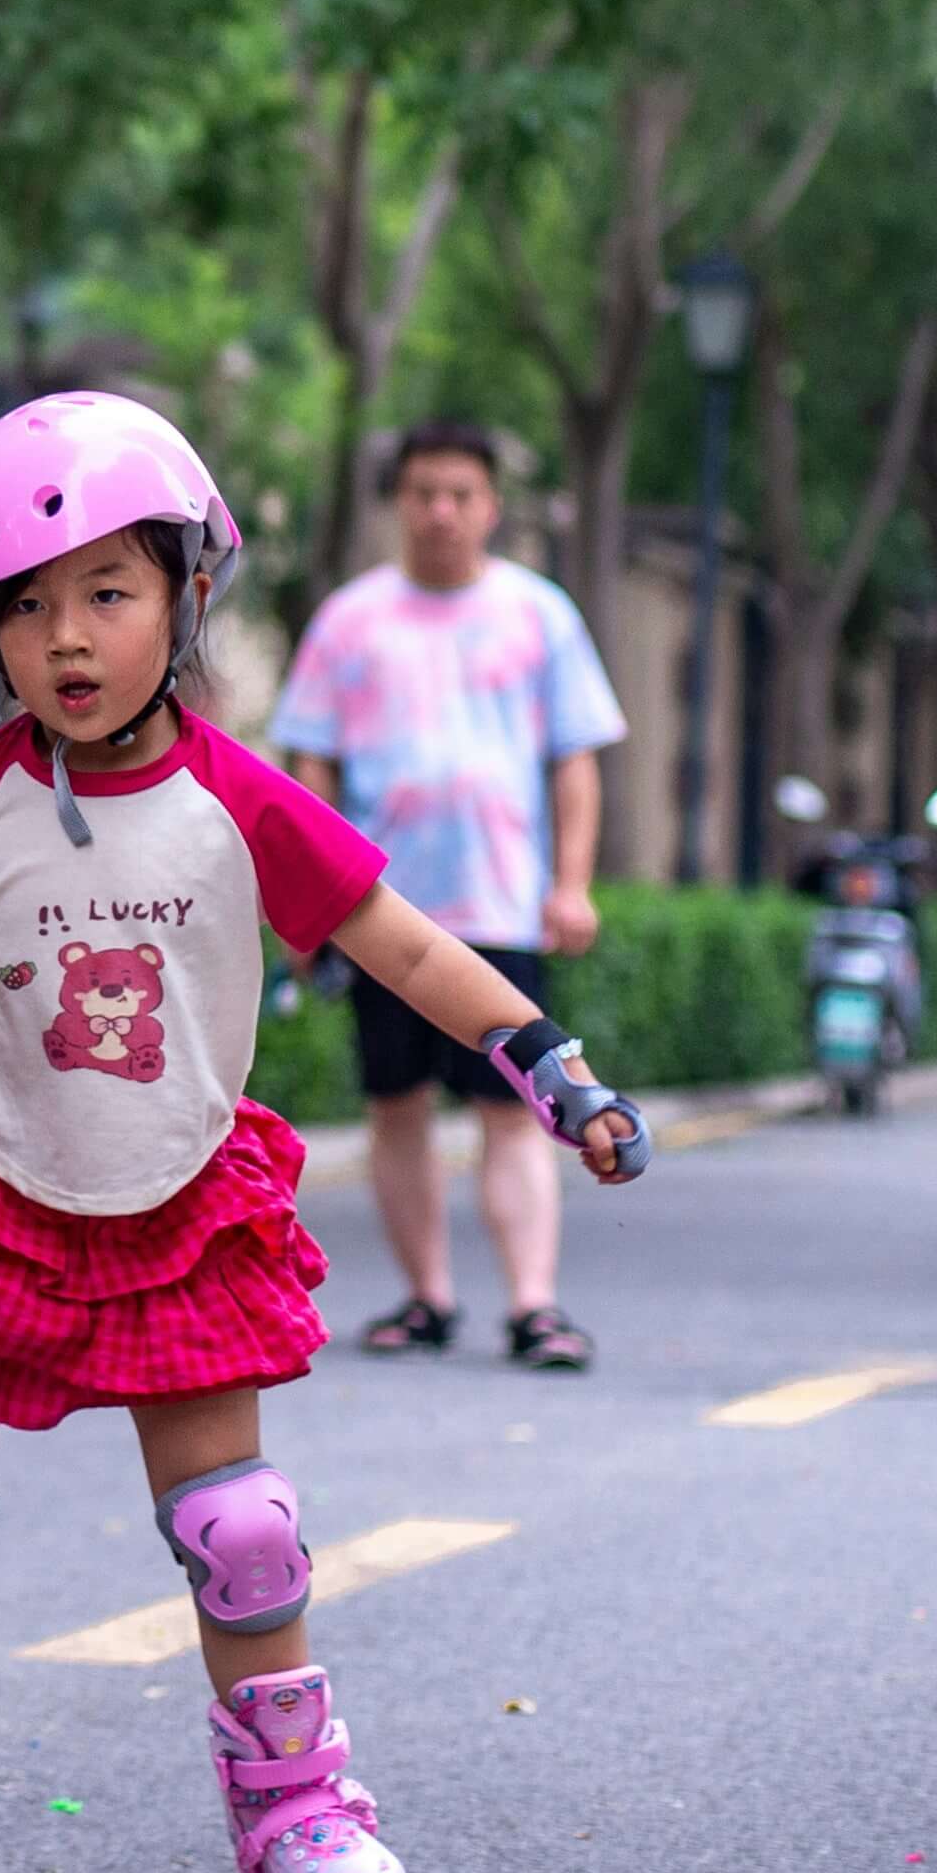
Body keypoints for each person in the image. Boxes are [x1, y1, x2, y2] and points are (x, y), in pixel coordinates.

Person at [0, 393, 649, 1873]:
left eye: (105, 593)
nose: (64, 640)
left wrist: (545, 1063)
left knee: (243, 1530)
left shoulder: (240, 800)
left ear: (186, 595)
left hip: (177, 1204)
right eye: (23, 610)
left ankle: (299, 1819)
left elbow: (408, 943)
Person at [270, 421, 633, 1372]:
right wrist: (305, 903)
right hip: (375, 913)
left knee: (516, 1109)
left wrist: (573, 884)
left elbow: (575, 762)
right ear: (400, 502)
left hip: (501, 908)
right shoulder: (350, 619)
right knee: (397, 1106)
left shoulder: (539, 613)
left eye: (460, 494)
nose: (440, 511)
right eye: (423, 492)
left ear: (491, 507)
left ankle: (535, 1306)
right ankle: (426, 1298)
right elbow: (309, 766)